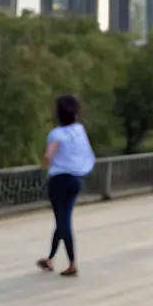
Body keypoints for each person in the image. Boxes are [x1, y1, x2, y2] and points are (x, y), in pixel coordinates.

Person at [37, 93, 95, 277]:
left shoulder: (57, 134)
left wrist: (46, 164)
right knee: (62, 221)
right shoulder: (80, 130)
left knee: (63, 222)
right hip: (76, 181)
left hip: (59, 181)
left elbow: (48, 155)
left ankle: (72, 263)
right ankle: (50, 258)